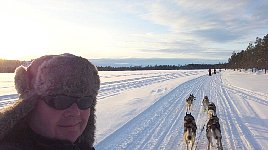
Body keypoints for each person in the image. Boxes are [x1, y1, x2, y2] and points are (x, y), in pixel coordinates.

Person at [0, 53, 100, 150]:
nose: (75, 112)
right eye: (60, 101)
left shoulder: (81, 146)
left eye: (85, 101)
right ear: (29, 105)